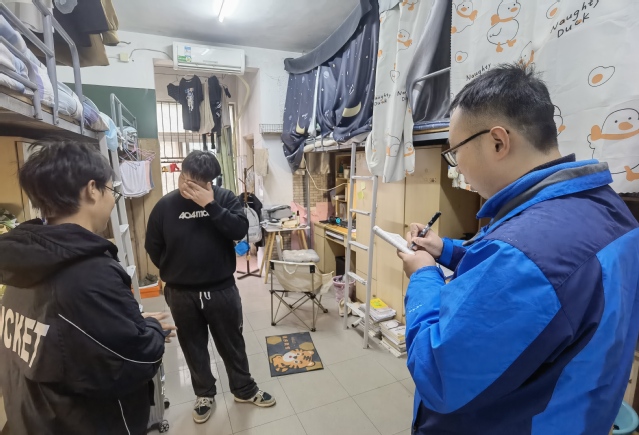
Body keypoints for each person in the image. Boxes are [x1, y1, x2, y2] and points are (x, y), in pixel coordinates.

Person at [399, 64, 639, 434]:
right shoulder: (607, 209)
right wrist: (444, 249)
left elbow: (438, 373)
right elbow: (536, 275)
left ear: (498, 141)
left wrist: (423, 275)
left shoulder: (526, 252)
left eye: (455, 151)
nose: (457, 166)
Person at [0, 140, 175, 435]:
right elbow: (138, 358)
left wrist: (125, 323)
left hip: (33, 420)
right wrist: (152, 330)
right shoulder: (90, 273)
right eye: (111, 191)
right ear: (92, 189)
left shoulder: (22, 263)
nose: (112, 201)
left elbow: (66, 335)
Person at [145, 150, 275, 425]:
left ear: (210, 182)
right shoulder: (165, 206)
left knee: (232, 343)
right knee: (193, 347)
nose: (191, 187)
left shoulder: (225, 198)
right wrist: (176, 271)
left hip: (221, 289)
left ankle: (244, 389)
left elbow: (239, 230)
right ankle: (204, 394)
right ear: (181, 174)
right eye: (188, 179)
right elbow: (153, 247)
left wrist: (210, 205)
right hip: (181, 293)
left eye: (199, 183)